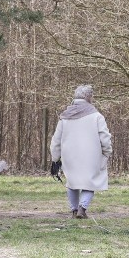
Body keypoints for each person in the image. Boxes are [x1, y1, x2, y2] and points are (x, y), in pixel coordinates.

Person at [49, 85, 113, 218]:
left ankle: (74, 211)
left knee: (72, 182)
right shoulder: (96, 116)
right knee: (90, 182)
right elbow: (104, 136)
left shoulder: (65, 117)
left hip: (69, 155)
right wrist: (107, 151)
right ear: (88, 97)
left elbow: (56, 139)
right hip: (91, 156)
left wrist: (55, 157)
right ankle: (82, 209)